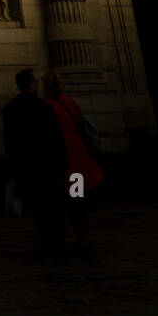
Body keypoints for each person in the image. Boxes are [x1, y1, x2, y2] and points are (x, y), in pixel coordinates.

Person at [3, 68, 68, 260]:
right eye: (36, 82)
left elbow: (10, 143)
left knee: (40, 210)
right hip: (49, 166)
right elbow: (56, 139)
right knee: (54, 208)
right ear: (31, 84)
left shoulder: (11, 109)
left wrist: (14, 169)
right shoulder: (43, 107)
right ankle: (58, 245)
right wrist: (62, 164)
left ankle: (46, 245)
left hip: (28, 168)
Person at [42, 70, 103, 254]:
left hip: (62, 162)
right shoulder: (69, 102)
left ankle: (73, 240)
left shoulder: (47, 106)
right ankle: (83, 237)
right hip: (78, 160)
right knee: (78, 201)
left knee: (65, 202)